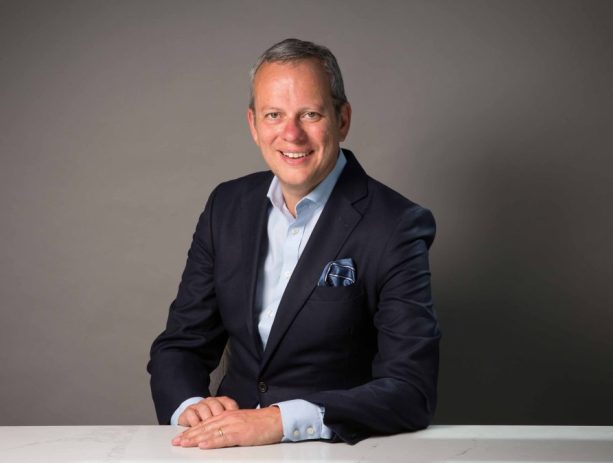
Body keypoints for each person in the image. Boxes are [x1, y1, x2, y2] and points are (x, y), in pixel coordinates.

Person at [147, 38, 440, 448]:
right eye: (274, 115)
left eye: (310, 114)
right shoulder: (226, 206)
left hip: (337, 450)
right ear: (253, 124)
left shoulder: (395, 225)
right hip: (226, 449)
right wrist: (190, 405)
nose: (291, 134)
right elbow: (181, 345)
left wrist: (281, 421)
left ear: (342, 119)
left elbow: (411, 390)